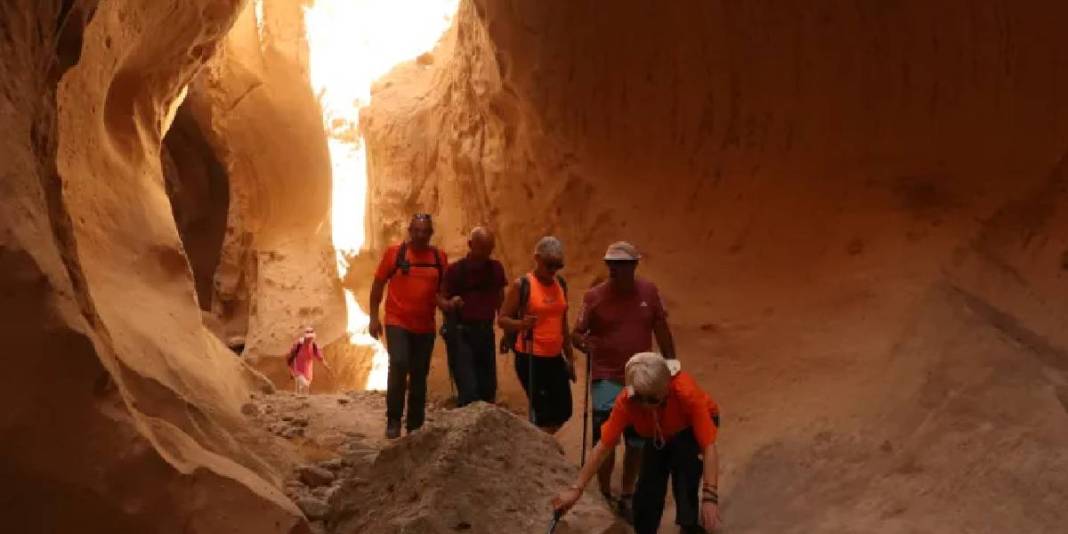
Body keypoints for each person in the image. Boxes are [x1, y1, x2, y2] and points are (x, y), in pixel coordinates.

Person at [553, 353, 721, 534]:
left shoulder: (685, 393)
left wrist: (710, 497)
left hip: (687, 429)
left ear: (666, 388)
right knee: (649, 482)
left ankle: (689, 525)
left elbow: (708, 446)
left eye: (653, 400)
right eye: (641, 398)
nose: (646, 405)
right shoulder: (627, 402)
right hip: (659, 432)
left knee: (685, 466)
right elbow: (603, 447)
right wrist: (576, 489)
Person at [572, 241, 677, 520]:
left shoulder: (649, 292)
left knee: (637, 439)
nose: (613, 270)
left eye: (619, 265)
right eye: (610, 264)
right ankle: (605, 491)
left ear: (633, 266)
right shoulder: (593, 297)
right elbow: (577, 332)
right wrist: (583, 345)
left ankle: (627, 493)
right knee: (606, 436)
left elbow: (661, 329)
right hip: (606, 376)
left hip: (640, 376)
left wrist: (672, 366)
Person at [368, 213, 449, 439]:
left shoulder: (439, 258)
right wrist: (373, 317)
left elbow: (442, 292)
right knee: (399, 363)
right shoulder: (395, 254)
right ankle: (393, 419)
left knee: (419, 374)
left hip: (425, 325)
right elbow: (377, 285)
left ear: (431, 233)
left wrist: (448, 306)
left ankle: (415, 424)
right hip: (397, 320)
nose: (421, 235)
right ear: (410, 231)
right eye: (417, 231)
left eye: (425, 231)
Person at [497, 236, 576, 434]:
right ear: (537, 258)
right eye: (549, 265)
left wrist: (570, 356)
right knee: (543, 412)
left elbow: (562, 322)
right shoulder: (522, 285)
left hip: (555, 357)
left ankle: (537, 444)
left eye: (557, 266)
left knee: (564, 410)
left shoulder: (561, 284)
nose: (553, 270)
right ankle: (538, 449)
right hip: (530, 356)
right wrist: (522, 324)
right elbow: (503, 319)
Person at [440, 227, 508, 406]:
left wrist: (507, 331)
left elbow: (501, 301)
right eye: (482, 248)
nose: (486, 254)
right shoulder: (455, 270)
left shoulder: (495, 269)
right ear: (470, 245)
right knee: (468, 390)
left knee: (488, 389)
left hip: (485, 333)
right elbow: (440, 298)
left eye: (489, 249)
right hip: (462, 334)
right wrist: (450, 303)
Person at [287, 326, 330, 395]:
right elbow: (290, 358)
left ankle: (299, 401)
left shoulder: (314, 346)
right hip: (298, 371)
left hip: (308, 373)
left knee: (303, 392)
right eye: (308, 338)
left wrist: (326, 366)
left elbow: (320, 358)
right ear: (305, 337)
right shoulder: (298, 345)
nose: (310, 340)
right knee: (305, 386)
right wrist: (291, 371)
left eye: (311, 338)